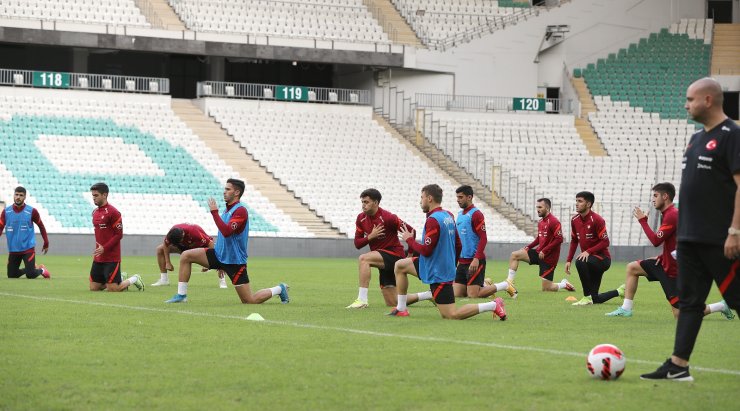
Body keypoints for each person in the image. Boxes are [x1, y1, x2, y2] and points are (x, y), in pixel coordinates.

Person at [642, 78, 740, 381]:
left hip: (720, 238)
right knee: (689, 303)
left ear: (708, 100)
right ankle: (678, 365)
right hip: (690, 238)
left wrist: (735, 230)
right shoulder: (696, 138)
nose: (686, 105)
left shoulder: (732, 135)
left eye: (690, 99)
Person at [605, 183, 734, 319]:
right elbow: (673, 242)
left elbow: (656, 241)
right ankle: (626, 308)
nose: (652, 199)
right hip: (663, 263)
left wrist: (643, 221)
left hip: (672, 271)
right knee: (632, 268)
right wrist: (662, 256)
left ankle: (721, 306)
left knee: (679, 315)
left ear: (665, 196)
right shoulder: (668, 214)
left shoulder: (672, 215)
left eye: (655, 196)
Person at [389, 184, 507, 321]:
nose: (420, 201)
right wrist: (453, 264)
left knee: (451, 315)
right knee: (400, 265)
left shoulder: (433, 220)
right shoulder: (448, 215)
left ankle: (493, 305)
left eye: (422, 198)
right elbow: (458, 244)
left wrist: (409, 240)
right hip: (434, 265)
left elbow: (426, 251)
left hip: (438, 272)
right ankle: (401, 309)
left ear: (430, 198)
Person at [165, 178, 289, 304]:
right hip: (219, 255)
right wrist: (218, 262)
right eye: (225, 189)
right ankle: (181, 295)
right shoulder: (227, 210)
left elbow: (227, 231)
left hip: (235, 261)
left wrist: (214, 213)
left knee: (249, 300)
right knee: (186, 256)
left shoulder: (240, 211)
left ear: (236, 192)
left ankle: (280, 288)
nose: (224, 192)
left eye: (228, 189)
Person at [347, 188, 432, 308]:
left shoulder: (388, 217)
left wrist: (410, 253)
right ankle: (428, 295)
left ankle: (362, 300)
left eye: (366, 202)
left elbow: (411, 230)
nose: (363, 205)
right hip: (381, 259)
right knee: (393, 302)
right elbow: (357, 243)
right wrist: (370, 237)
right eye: (362, 202)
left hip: (394, 255)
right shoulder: (361, 218)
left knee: (363, 259)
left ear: (376, 203)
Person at [453, 185, 517, 298]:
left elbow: (483, 238)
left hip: (475, 260)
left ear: (469, 197)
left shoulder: (476, 214)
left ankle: (505, 285)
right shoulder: (459, 215)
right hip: (462, 261)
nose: (458, 200)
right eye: (457, 197)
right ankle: (485, 284)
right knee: (457, 294)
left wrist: (476, 258)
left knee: (473, 295)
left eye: (460, 197)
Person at [506, 198, 573, 292]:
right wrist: (528, 247)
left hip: (549, 258)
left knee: (547, 288)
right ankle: (509, 283)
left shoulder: (554, 221)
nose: (537, 209)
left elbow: (559, 239)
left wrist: (545, 250)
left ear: (547, 208)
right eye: (537, 207)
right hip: (539, 253)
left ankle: (564, 284)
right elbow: (539, 238)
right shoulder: (541, 222)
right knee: (515, 255)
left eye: (540, 207)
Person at [88, 182, 144, 292]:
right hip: (99, 256)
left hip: (112, 256)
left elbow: (119, 235)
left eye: (96, 195)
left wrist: (105, 248)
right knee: (94, 288)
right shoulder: (95, 212)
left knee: (113, 289)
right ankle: (120, 278)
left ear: (104, 195)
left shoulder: (113, 212)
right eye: (92, 196)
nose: (93, 198)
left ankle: (135, 278)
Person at [566, 191, 612, 306]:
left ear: (588, 204)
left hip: (602, 259)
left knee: (580, 261)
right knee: (595, 299)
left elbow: (605, 242)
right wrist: (568, 260)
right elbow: (574, 241)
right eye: (576, 201)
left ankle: (586, 297)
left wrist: (588, 251)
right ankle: (620, 291)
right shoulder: (574, 220)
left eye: (580, 201)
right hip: (589, 260)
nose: (576, 204)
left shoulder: (597, 220)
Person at [151, 223, 227, 289]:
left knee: (216, 257)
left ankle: (222, 280)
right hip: (183, 248)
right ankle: (164, 280)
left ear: (183, 236)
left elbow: (210, 243)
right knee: (159, 249)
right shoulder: (172, 233)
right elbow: (166, 244)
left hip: (199, 247)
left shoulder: (194, 232)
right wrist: (168, 262)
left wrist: (210, 264)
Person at [0, 186, 51, 279]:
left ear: (25, 197)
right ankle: (31, 268)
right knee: (12, 275)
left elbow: (41, 226)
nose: (18, 197)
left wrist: (46, 242)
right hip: (13, 249)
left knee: (30, 274)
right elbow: (0, 227)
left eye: (21, 195)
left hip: (28, 248)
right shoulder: (6, 212)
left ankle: (42, 270)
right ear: (13, 195)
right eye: (16, 195)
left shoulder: (32, 211)